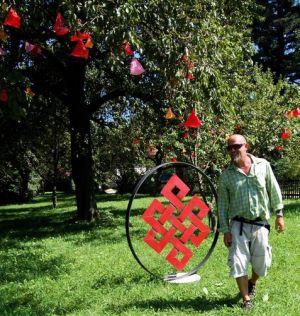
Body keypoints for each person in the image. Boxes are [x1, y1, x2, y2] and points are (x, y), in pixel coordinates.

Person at [217, 134, 285, 310]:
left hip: (260, 223)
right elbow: (223, 205)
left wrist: (279, 214)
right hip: (238, 225)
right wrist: (225, 230)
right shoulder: (226, 176)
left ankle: (252, 282)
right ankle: (246, 299)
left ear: (246, 146)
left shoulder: (263, 166)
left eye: (236, 146)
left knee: (260, 262)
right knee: (238, 261)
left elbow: (273, 189)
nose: (233, 150)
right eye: (229, 148)